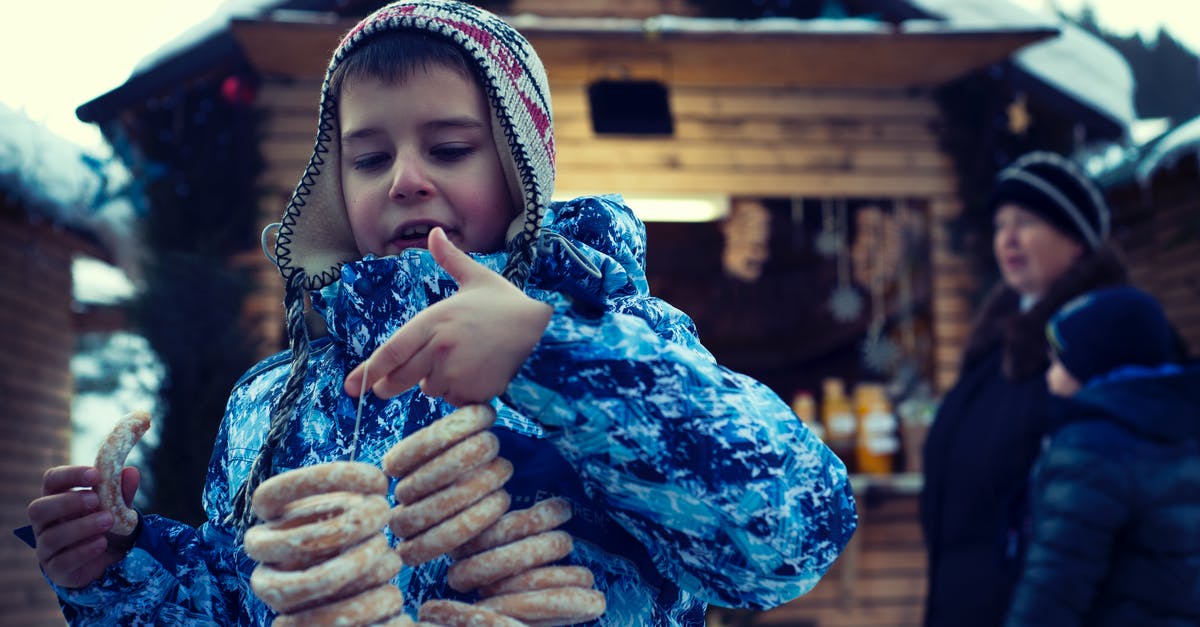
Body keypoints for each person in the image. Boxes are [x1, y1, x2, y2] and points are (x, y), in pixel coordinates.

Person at [24, 2, 857, 624]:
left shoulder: (622, 343)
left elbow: (790, 535)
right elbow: (251, 601)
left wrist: (546, 352)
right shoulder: (268, 401)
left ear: (521, 170)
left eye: (450, 148)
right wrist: (120, 569)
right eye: (369, 156)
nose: (405, 180)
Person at [919, 151, 1129, 627]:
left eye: (1027, 221)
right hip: (961, 600)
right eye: (1000, 225)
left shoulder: (1095, 342)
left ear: (1076, 239)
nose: (1007, 240)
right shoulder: (995, 343)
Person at [1004, 285, 1199, 626]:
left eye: (1058, 363)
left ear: (1091, 365)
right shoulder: (1183, 431)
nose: (1050, 378)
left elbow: (1054, 585)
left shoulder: (1089, 449)